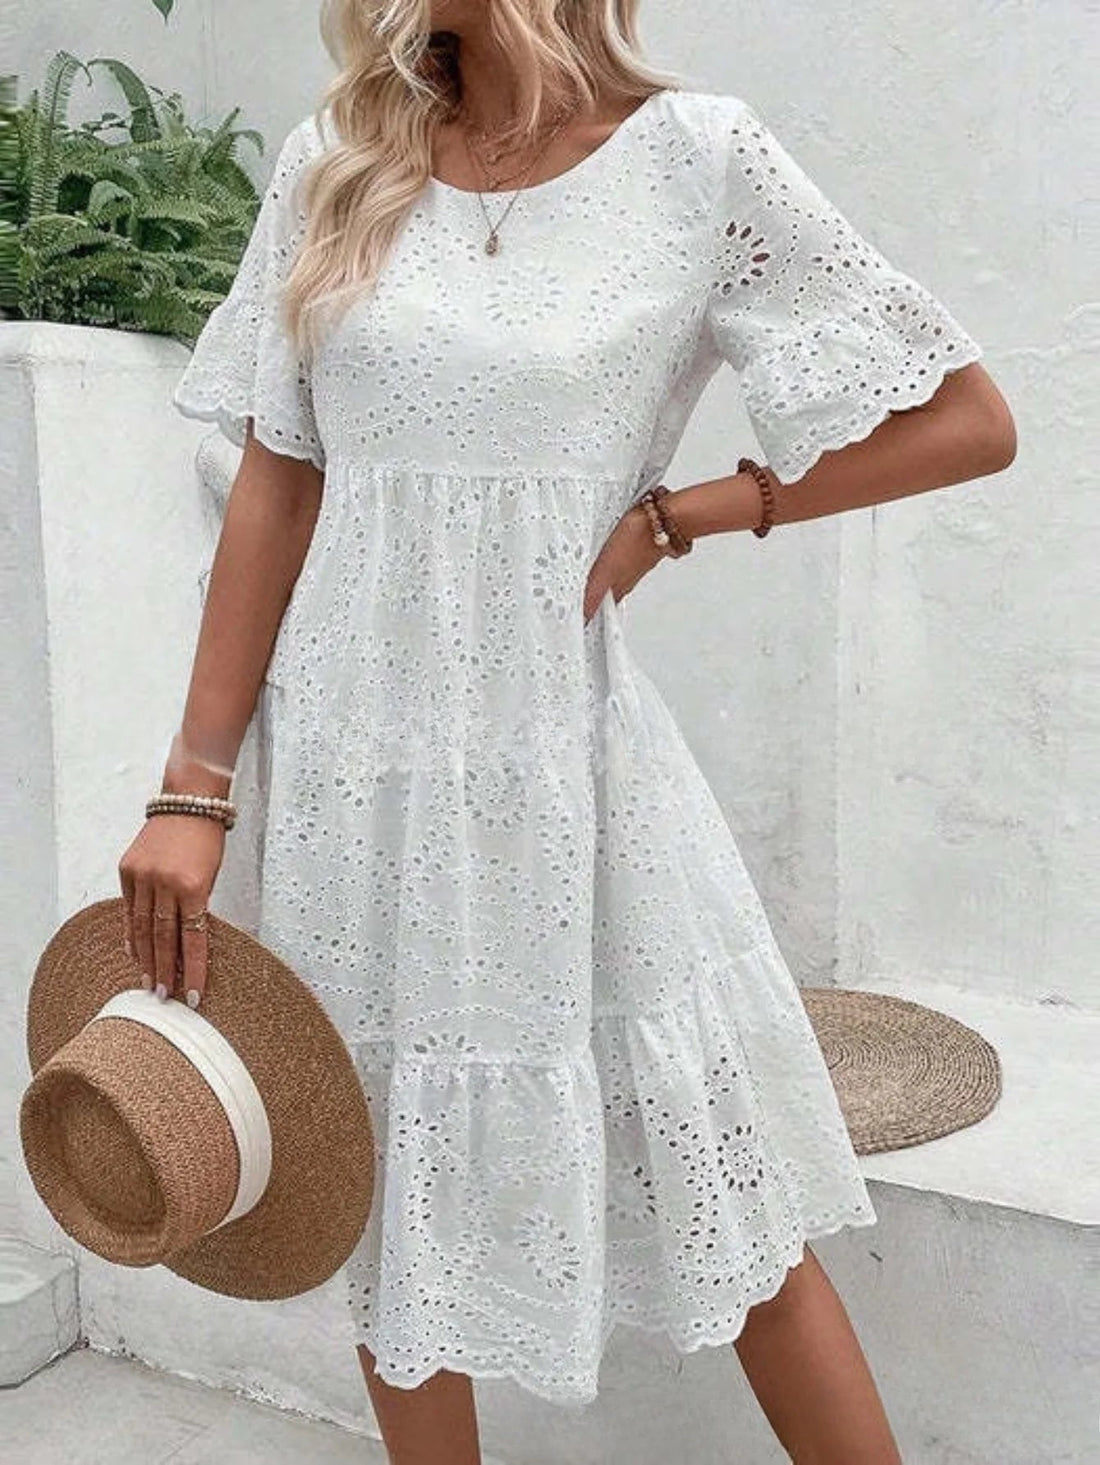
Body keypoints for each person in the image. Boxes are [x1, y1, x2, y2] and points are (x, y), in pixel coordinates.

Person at [118, 3, 1016, 1462]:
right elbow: (280, 485)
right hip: (351, 771)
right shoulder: (338, 156)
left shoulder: (697, 162)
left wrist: (692, 511)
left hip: (564, 768)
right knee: (380, 1186)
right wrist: (192, 789)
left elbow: (968, 420)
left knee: (733, 1197)